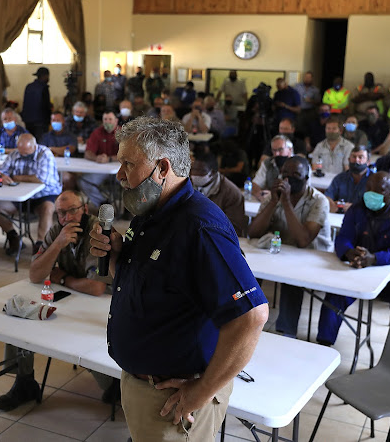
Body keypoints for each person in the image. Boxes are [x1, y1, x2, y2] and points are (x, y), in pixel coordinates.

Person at [89, 117, 268, 441]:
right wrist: (116, 257)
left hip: (174, 398)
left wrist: (201, 392)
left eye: (128, 164)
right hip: (141, 384)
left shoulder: (199, 227)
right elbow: (142, 285)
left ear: (162, 168)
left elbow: (252, 316)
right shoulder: (151, 214)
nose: (120, 176)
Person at [0, 190, 118, 411]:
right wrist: (57, 245)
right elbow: (35, 275)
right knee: (21, 319)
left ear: (84, 210)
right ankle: (24, 382)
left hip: (101, 310)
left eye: (72, 211)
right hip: (72, 300)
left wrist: (63, 277)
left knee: (84, 340)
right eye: (61, 213)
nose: (67, 218)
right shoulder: (56, 232)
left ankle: (114, 383)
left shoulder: (98, 232)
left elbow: (96, 288)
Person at [317, 172, 390, 345]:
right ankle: (323, 345)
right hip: (360, 268)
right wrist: (348, 252)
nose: (371, 194)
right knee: (335, 296)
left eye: (378, 190)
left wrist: (375, 258)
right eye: (368, 189)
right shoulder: (357, 209)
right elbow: (343, 238)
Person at [249, 156, 331, 338]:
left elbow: (303, 240)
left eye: (296, 174)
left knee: (292, 280)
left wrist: (286, 202)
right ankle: (246, 321)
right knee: (249, 273)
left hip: (312, 257)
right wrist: (273, 202)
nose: (289, 178)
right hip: (281, 252)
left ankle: (286, 332)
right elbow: (253, 232)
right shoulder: (273, 196)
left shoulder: (318, 200)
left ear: (307, 177)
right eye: (285, 174)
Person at [0, 134, 61, 256]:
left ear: (34, 146)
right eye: (20, 151)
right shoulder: (15, 154)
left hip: (43, 194)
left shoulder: (45, 154)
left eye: (26, 152)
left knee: (47, 209)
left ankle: (41, 246)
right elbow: (0, 171)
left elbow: (41, 179)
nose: (22, 154)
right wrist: (1, 176)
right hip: (19, 194)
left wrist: (16, 177)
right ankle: (13, 236)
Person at [190, 151, 245, 236]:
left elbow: (235, 229)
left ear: (212, 172)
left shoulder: (231, 193)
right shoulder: (188, 183)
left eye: (201, 171)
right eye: (193, 169)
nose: (195, 174)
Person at [78, 110, 120, 210]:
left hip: (119, 169)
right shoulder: (97, 133)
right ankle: (103, 204)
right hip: (100, 169)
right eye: (105, 119)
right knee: (83, 181)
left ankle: (128, 209)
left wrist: (109, 159)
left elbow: (127, 154)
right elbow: (88, 152)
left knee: (131, 181)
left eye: (110, 119)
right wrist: (96, 157)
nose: (107, 122)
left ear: (116, 121)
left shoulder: (122, 133)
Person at [325, 146, 373, 213]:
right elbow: (327, 196)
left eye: (360, 157)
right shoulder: (340, 178)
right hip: (338, 217)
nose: (356, 160)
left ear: (368, 162)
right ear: (348, 160)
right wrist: (331, 204)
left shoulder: (374, 180)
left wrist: (354, 208)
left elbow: (375, 206)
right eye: (353, 157)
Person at [22, 65, 53, 139]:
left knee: (30, 141)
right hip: (40, 122)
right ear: (45, 76)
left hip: (28, 121)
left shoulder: (28, 86)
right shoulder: (44, 88)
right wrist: (49, 119)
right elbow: (46, 106)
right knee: (40, 143)